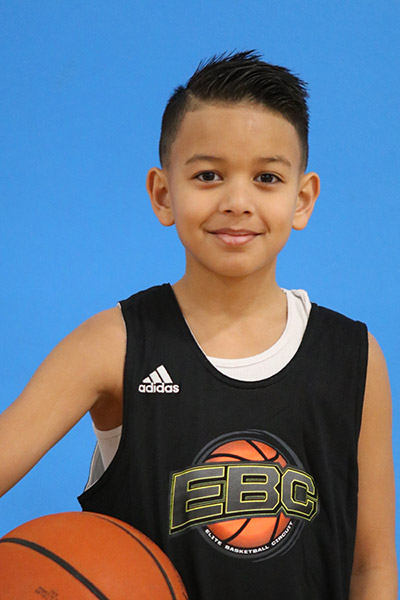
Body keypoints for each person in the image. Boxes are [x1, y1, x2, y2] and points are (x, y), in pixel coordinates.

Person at [0, 51, 397, 599]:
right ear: (163, 194)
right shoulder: (113, 345)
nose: (237, 201)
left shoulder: (353, 356)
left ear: (302, 199)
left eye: (266, 177)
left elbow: (371, 566)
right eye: (208, 175)